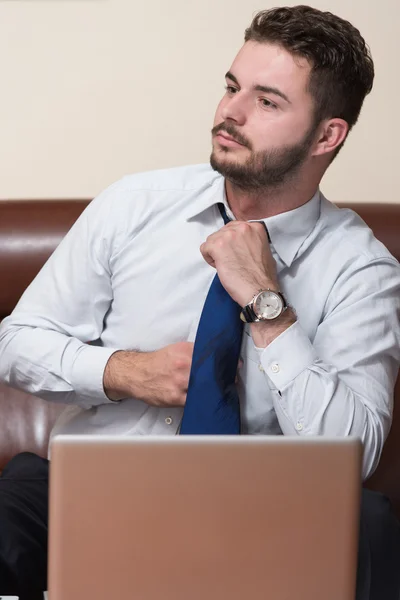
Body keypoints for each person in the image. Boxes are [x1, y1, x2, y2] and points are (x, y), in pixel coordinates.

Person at [0, 4, 400, 599]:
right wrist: (124, 371)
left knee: (370, 528)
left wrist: (267, 303)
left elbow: (355, 454)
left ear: (327, 134)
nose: (229, 113)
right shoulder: (133, 204)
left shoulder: (362, 271)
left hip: (265, 511)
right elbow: (15, 342)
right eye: (232, 87)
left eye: (267, 101)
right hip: (92, 489)